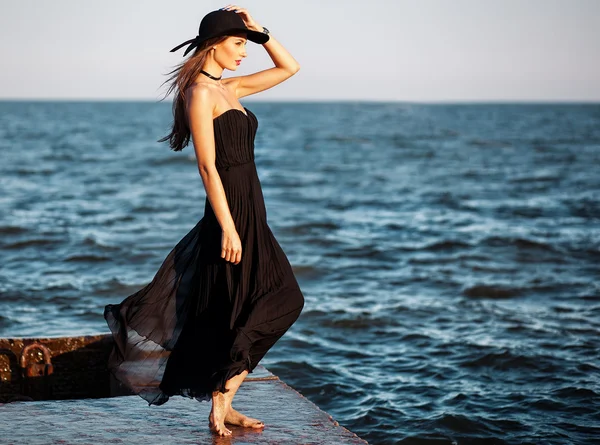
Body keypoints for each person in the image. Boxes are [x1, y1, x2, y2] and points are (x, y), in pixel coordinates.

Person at [103, 5, 305, 437]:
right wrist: (229, 227)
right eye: (237, 44)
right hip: (229, 212)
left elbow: (291, 67)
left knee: (261, 302)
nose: (244, 53)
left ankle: (226, 398)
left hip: (252, 209)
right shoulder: (200, 93)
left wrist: (259, 31)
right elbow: (207, 167)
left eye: (245, 46)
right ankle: (222, 396)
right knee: (274, 300)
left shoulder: (231, 88)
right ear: (213, 44)